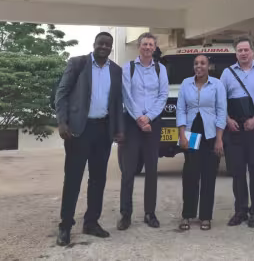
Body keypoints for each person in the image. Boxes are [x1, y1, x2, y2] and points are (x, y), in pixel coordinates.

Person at [54, 32, 124, 246]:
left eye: (107, 44)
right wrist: (62, 122)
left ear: (111, 47)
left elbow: (117, 103)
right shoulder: (78, 64)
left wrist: (119, 129)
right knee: (73, 178)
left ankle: (91, 222)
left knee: (98, 179)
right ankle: (65, 225)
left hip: (103, 130)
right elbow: (62, 93)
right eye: (100, 43)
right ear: (94, 44)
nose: (103, 47)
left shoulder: (116, 70)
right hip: (78, 130)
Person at [220, 36, 254, 228]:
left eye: (246, 50)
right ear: (236, 53)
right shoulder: (227, 74)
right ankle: (240, 210)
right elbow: (221, 101)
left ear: (252, 51)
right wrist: (227, 120)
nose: (243, 53)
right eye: (239, 50)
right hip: (234, 127)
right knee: (237, 171)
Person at [119, 32, 170, 230]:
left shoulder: (160, 69)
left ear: (155, 47)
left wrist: (148, 118)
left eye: (151, 44)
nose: (148, 47)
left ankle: (150, 213)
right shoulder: (129, 68)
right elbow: (126, 94)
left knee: (151, 170)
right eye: (144, 44)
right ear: (139, 47)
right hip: (132, 123)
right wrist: (139, 118)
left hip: (153, 123)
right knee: (128, 171)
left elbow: (163, 95)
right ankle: (125, 214)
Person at [176, 54, 227, 231]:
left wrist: (219, 139)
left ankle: (205, 216)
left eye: (203, 63)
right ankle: (187, 215)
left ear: (209, 66)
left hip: (210, 134)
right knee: (190, 174)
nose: (199, 66)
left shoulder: (217, 85)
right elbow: (181, 109)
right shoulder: (185, 84)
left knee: (208, 175)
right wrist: (182, 135)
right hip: (191, 133)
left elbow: (221, 112)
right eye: (196, 63)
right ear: (193, 67)